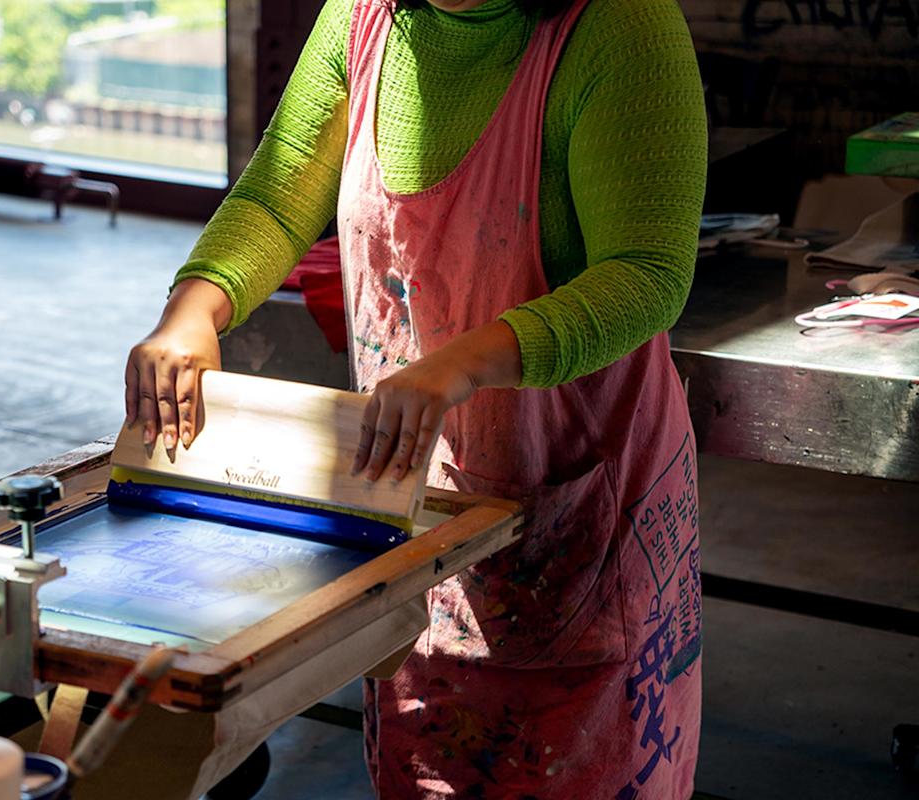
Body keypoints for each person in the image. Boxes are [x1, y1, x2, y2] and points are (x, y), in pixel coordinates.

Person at [125, 0, 706, 796]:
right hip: (406, 503)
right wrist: (194, 309)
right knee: (428, 757)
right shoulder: (364, 19)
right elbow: (276, 195)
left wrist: (464, 363)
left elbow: (647, 274)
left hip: (579, 513)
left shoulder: (617, 26)